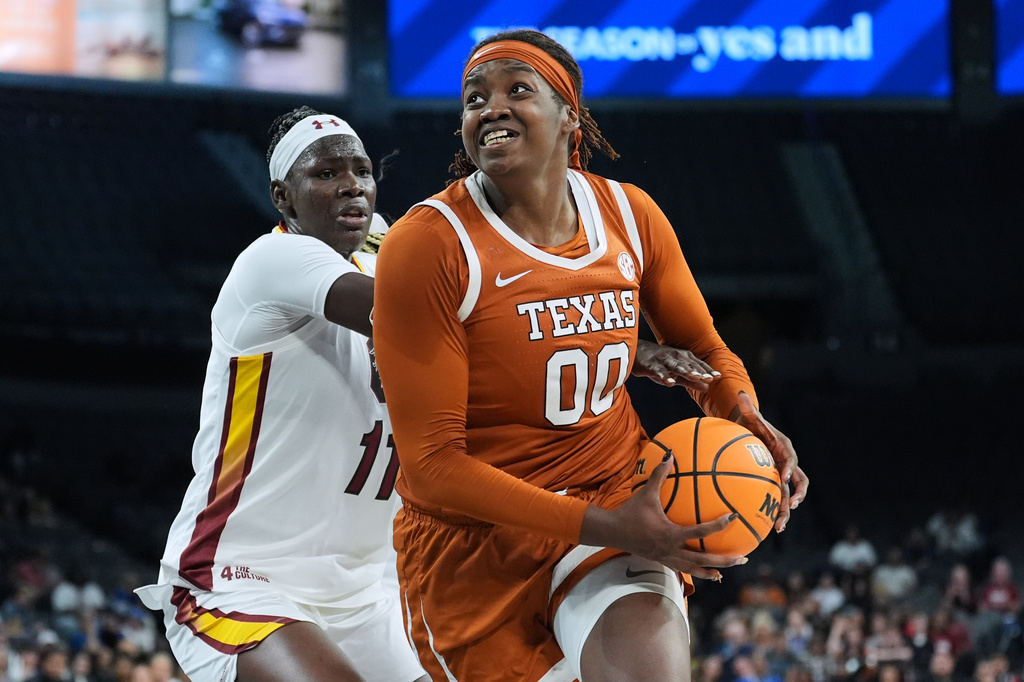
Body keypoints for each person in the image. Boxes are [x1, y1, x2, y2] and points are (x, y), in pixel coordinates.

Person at [372, 28, 808, 681]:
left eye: (517, 90)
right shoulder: (429, 244)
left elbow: (702, 347)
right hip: (473, 544)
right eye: (473, 98)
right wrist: (603, 524)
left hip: (612, 488)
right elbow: (432, 465)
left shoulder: (629, 216)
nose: (489, 107)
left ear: (569, 113)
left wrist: (743, 413)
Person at [134, 106, 428, 682]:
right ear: (282, 197)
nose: (351, 184)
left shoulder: (392, 260)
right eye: (325, 173)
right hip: (242, 580)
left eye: (362, 171)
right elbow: (414, 314)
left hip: (369, 590)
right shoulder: (271, 261)